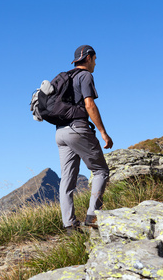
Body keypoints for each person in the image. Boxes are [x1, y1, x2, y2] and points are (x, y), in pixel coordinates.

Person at [55, 45, 113, 233]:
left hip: (60, 132)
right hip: (78, 129)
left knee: (67, 179)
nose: (95, 63)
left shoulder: (66, 77)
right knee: (101, 170)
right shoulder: (85, 76)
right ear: (89, 57)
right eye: (95, 59)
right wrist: (103, 132)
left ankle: (69, 225)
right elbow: (89, 104)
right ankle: (92, 215)